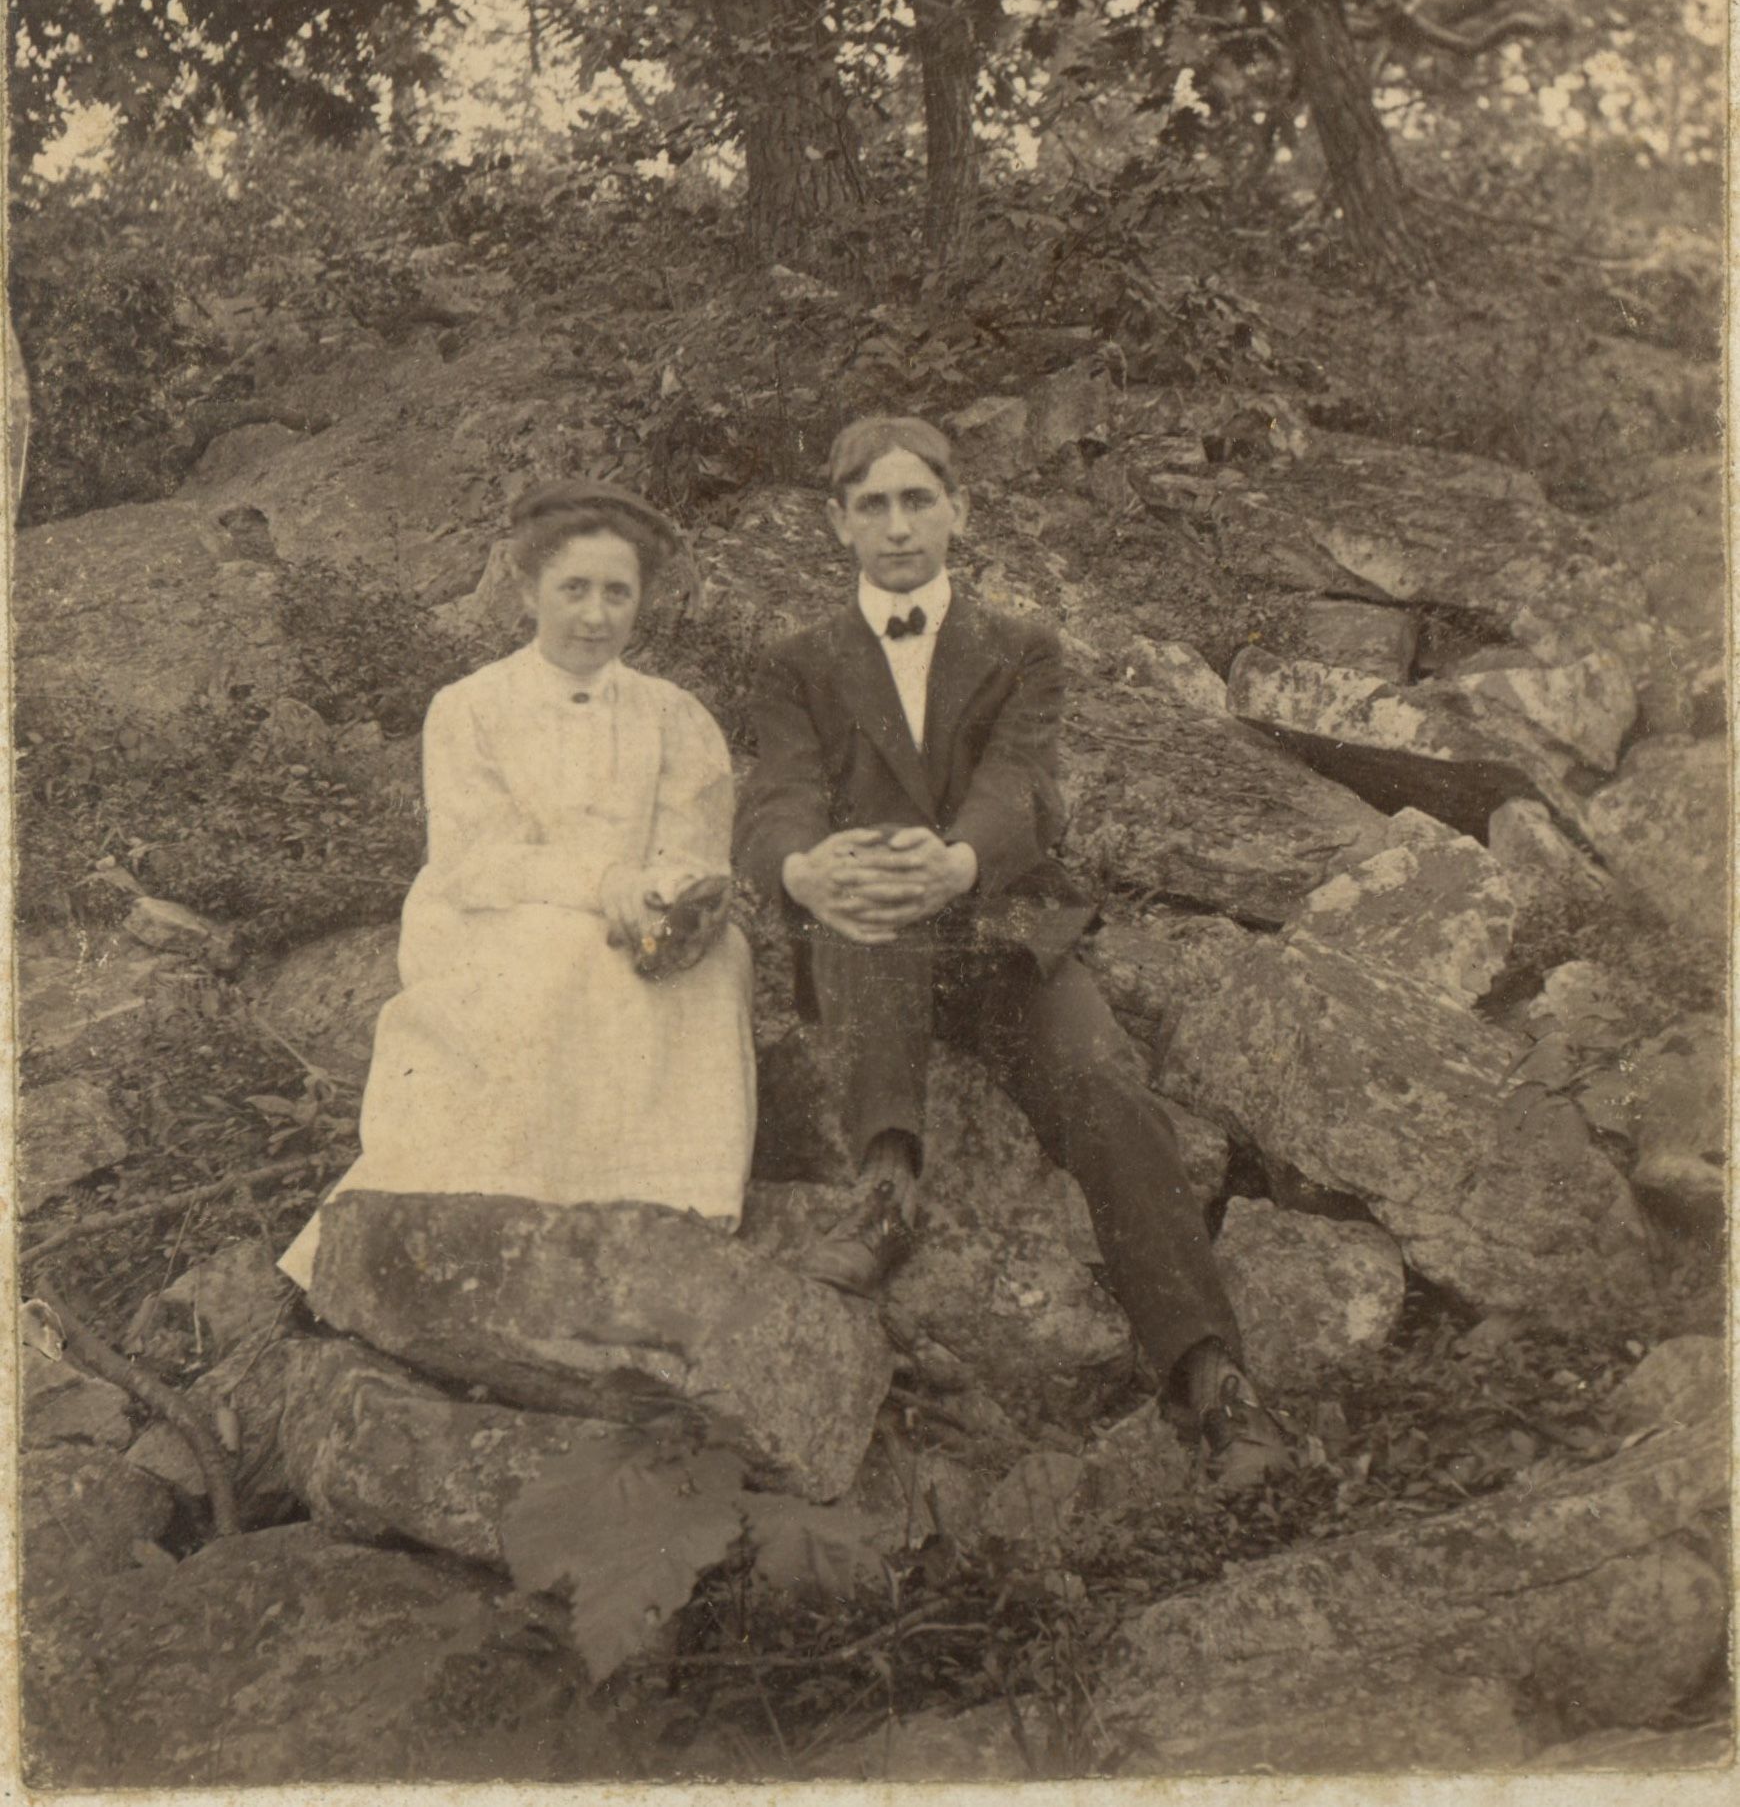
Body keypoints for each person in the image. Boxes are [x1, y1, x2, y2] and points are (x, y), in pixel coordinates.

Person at [735, 414, 1288, 1487]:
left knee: (1102, 1080)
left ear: (959, 509)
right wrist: (803, 869)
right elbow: (778, 799)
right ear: (837, 523)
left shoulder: (1022, 648)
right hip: (869, 945)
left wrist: (958, 861)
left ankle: (1212, 1378)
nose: (899, 526)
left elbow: (1020, 785)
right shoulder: (797, 663)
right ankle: (887, 1185)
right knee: (865, 886)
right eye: (873, 506)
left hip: (1000, 932)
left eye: (918, 500)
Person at [279, 479, 755, 1288]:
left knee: (715, 964)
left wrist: (664, 895)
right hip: (494, 915)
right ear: (529, 589)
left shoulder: (674, 715)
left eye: (617, 593)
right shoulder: (471, 707)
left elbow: (694, 842)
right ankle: (503, 1205)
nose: (595, 615)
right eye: (574, 589)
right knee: (560, 953)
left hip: (633, 915)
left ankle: (670, 1211)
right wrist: (600, 880)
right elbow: (476, 858)